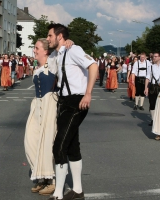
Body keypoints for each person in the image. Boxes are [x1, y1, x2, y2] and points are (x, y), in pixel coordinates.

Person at [46, 23, 98, 200]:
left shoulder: (74, 50)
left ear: (59, 36)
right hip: (63, 102)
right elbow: (45, 62)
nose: (48, 39)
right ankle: (77, 190)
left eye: (50, 36)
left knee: (59, 145)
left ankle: (58, 194)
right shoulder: (58, 54)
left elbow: (93, 66)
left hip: (77, 101)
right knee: (72, 145)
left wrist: (88, 94)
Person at [24, 39, 58, 196]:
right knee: (30, 141)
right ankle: (42, 175)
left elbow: (63, 53)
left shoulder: (53, 62)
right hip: (36, 106)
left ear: (46, 51)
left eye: (37, 48)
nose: (34, 50)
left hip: (49, 105)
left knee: (47, 143)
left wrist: (68, 42)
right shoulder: (36, 68)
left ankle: (51, 180)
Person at [144, 52, 160, 126]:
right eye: (153, 56)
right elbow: (147, 78)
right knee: (152, 104)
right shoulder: (150, 67)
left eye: (156, 56)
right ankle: (153, 120)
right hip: (153, 86)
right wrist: (146, 88)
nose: (154, 58)